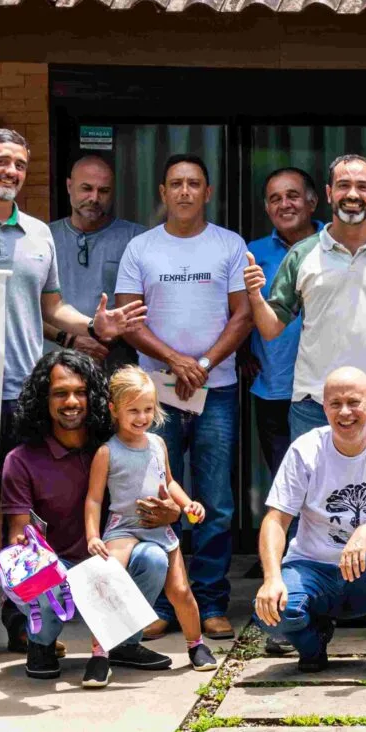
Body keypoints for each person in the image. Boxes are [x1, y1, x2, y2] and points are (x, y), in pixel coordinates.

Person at [0, 128, 147, 664]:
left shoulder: (38, 234)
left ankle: (21, 624)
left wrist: (94, 324)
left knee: (22, 516)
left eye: (17, 165)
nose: (9, 172)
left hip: (23, 392)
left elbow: (52, 309)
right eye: (0, 162)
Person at [115, 154, 253, 641]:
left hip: (215, 391)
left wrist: (205, 364)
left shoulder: (229, 245)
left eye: (195, 184)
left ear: (208, 192)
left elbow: (243, 316)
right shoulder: (141, 248)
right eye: (176, 183)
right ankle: (158, 603)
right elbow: (128, 318)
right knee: (153, 498)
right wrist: (176, 361)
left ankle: (211, 601)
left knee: (213, 501)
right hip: (154, 396)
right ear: (163, 191)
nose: (185, 192)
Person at [4, 349, 177, 687]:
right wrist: (24, 549)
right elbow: (16, 532)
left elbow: (160, 494)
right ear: (44, 399)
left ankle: (124, 643)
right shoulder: (21, 460)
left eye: (80, 392)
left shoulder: (114, 445)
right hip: (59, 570)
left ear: (95, 397)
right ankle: (42, 645)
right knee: (34, 567)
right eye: (60, 393)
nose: (72, 401)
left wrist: (171, 511)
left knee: (154, 557)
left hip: (112, 560)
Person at [252, 366, 366, 683]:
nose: (345, 412)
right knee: (271, 612)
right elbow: (275, 519)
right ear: (324, 408)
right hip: (313, 567)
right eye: (335, 404)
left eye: (354, 402)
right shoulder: (306, 449)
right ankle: (313, 642)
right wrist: (271, 577)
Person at [242, 153, 366, 434]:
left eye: (362, 187)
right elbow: (269, 328)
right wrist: (254, 295)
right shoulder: (301, 253)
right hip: (314, 404)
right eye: (343, 185)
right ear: (328, 193)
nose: (353, 194)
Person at [85, 367, 218, 674]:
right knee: (108, 583)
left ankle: (196, 645)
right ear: (114, 409)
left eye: (148, 409)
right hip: (123, 528)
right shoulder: (107, 452)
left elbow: (169, 482)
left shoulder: (158, 444)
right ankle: (99, 653)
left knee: (181, 591)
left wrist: (188, 505)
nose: (142, 417)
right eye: (133, 410)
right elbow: (93, 499)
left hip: (160, 528)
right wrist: (93, 535)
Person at [245, 167, 323, 477]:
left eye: (293, 195)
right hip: (274, 386)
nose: (284, 204)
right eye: (275, 199)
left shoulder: (334, 244)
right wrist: (241, 351)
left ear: (313, 202)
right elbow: (239, 311)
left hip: (325, 388)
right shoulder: (254, 252)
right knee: (285, 481)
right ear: (266, 208)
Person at [45, 154, 146, 370]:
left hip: (117, 367)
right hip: (56, 365)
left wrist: (111, 334)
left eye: (104, 191)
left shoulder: (137, 240)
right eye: (86, 188)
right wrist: (69, 339)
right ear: (69, 186)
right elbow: (28, 308)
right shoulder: (43, 238)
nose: (94, 197)